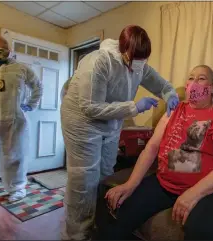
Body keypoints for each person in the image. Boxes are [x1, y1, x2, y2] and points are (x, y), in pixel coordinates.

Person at [101, 65, 213, 240]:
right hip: (165, 184)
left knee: (206, 231)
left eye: (201, 79)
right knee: (119, 214)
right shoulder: (174, 110)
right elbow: (151, 148)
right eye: (191, 78)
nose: (194, 83)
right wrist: (130, 184)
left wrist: (193, 193)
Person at [60, 25, 179, 240]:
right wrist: (134, 107)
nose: (140, 65)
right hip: (81, 121)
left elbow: (160, 84)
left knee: (106, 172)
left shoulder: (138, 63)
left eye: (143, 59)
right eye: (137, 58)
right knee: (84, 178)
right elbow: (90, 107)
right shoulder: (98, 62)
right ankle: (75, 234)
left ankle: (97, 224)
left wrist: (169, 93)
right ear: (125, 50)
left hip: (111, 121)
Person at [0, 36, 43, 202]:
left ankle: (17, 189)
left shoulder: (21, 69)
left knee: (14, 155)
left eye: (3, 49)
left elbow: (37, 86)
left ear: (9, 50)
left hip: (14, 120)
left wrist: (30, 105)